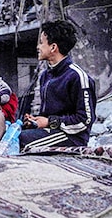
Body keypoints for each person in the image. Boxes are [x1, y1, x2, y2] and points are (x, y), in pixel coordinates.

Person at [19, 20, 97, 151]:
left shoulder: (77, 76)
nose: (38, 47)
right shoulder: (45, 75)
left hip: (72, 137)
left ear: (53, 47)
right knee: (11, 131)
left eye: (42, 43)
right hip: (52, 131)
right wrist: (36, 121)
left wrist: (50, 122)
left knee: (21, 139)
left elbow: (85, 120)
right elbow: (47, 117)